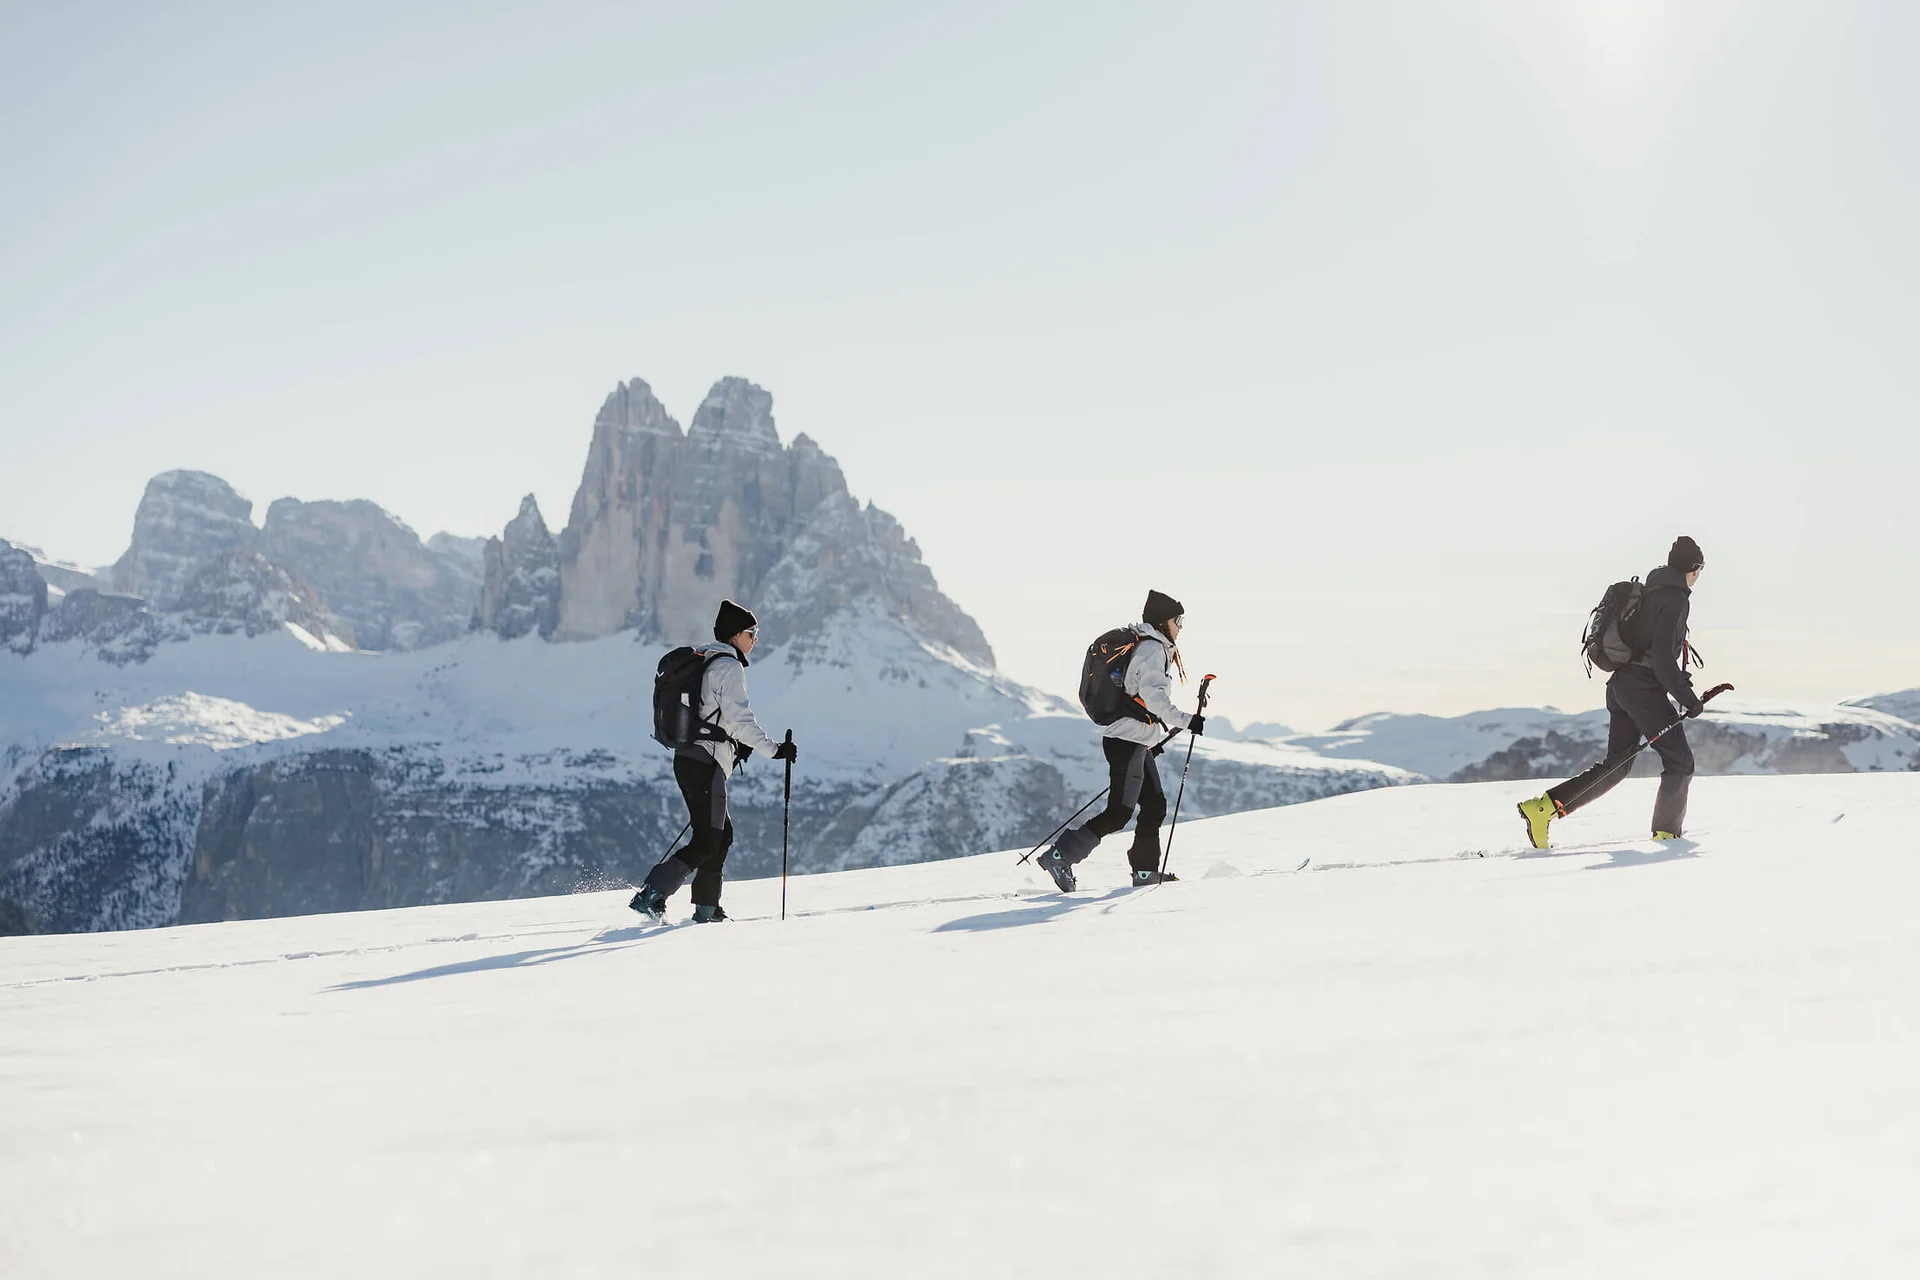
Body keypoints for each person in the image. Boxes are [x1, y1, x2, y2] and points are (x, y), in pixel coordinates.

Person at [1518, 537, 1707, 849]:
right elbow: (1660, 657)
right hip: (1641, 688)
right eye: (1700, 569)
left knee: (1617, 765)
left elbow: (1650, 650)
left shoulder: (1651, 592)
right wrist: (1687, 698)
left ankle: (1543, 808)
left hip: (1621, 685)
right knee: (1680, 761)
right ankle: (1667, 836)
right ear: (1693, 569)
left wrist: (1675, 683)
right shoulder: (1675, 598)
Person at [631, 600, 796, 923]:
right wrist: (774, 750)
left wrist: (735, 747)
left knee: (720, 834)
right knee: (709, 838)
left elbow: (715, 719)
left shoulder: (707, 658)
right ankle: (653, 894)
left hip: (692, 760)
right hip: (703, 764)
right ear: (736, 635)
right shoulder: (728, 666)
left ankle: (707, 908)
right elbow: (740, 719)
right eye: (752, 633)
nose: (755, 640)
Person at [1038, 589, 1205, 891]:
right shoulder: (1153, 649)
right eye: (1177, 619)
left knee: (1154, 806)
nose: (1181, 626)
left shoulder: (1152, 646)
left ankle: (1145, 872)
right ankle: (1060, 856)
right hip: (1126, 741)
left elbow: (1137, 696)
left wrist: (1152, 739)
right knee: (1119, 813)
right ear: (1163, 621)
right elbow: (1152, 697)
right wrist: (1187, 720)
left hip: (1135, 740)